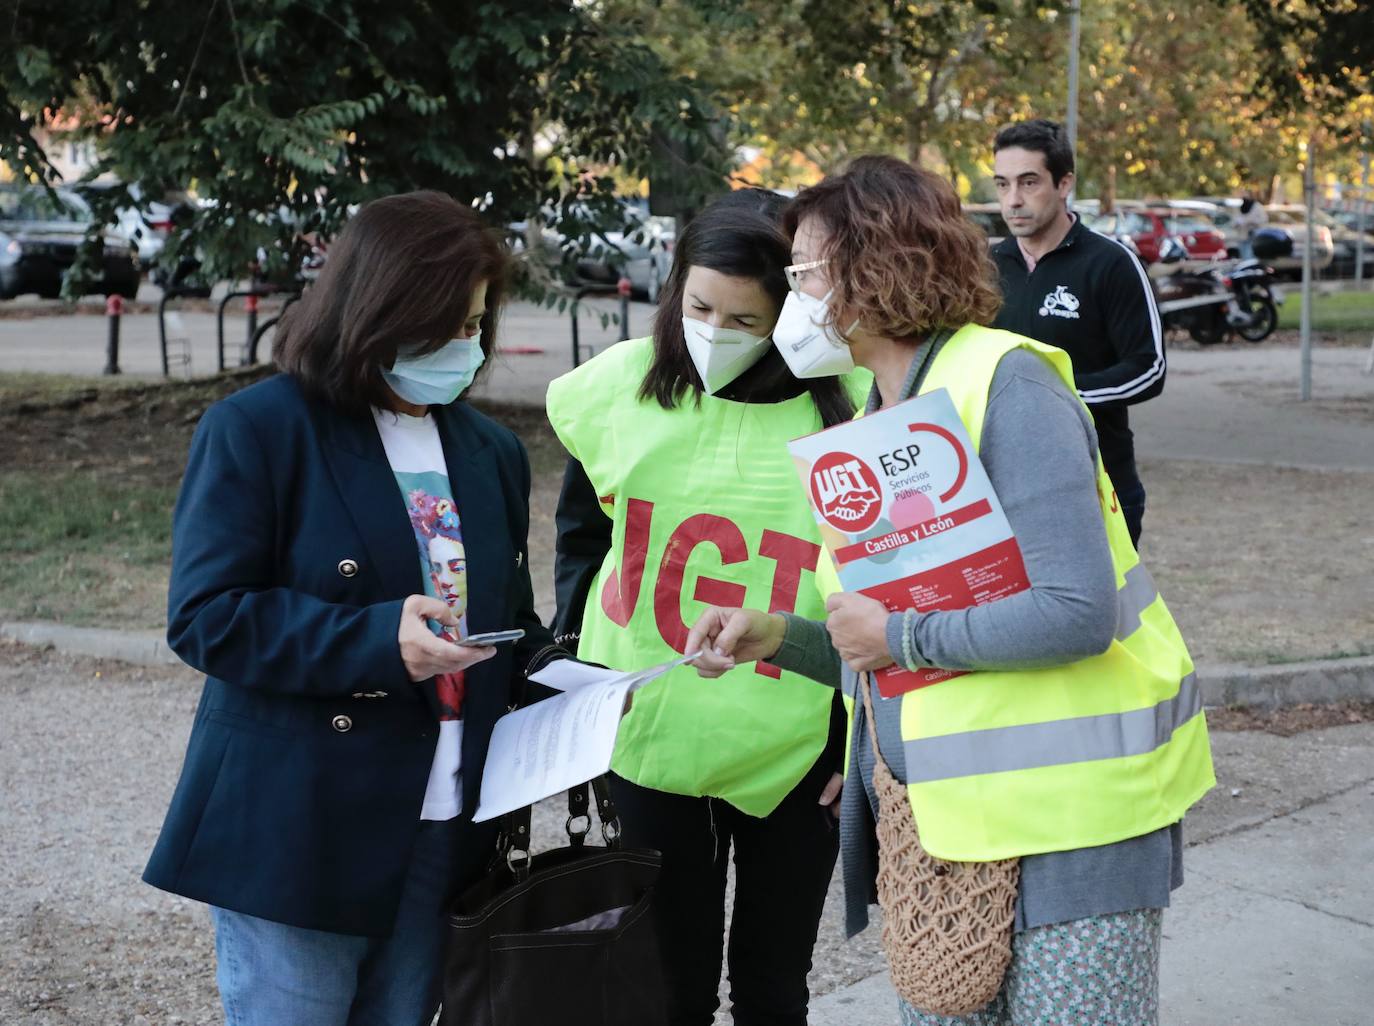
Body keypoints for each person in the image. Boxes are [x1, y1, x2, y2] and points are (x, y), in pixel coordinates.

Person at [686, 156, 1214, 1026]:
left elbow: (1073, 612)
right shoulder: (869, 424)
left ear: (873, 267)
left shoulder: (1006, 383)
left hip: (1073, 831)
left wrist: (898, 638)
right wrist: (779, 635)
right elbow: (884, 648)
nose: (793, 296)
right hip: (947, 837)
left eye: (805, 272)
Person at [144, 191, 567, 1026]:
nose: (461, 347)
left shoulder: (490, 451)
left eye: (474, 325)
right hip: (303, 824)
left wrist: (585, 677)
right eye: (438, 327)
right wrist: (378, 640)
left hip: (447, 819)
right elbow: (207, 615)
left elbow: (508, 624)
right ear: (371, 312)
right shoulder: (261, 429)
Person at [547, 188, 868, 1026]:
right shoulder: (617, 387)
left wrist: (855, 736)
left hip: (801, 748)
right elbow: (583, 539)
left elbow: (882, 587)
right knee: (667, 985)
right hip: (649, 730)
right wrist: (579, 675)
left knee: (772, 984)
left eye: (746, 318)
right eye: (698, 307)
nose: (716, 332)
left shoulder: (857, 401)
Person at [989, 118, 1163, 547]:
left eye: (1029, 183)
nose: (1013, 200)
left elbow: (1148, 369)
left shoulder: (1111, 262)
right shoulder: (984, 270)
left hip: (1097, 483)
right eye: (1002, 184)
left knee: (1107, 615)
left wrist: (1055, 395)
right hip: (1003, 486)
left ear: (1064, 183)